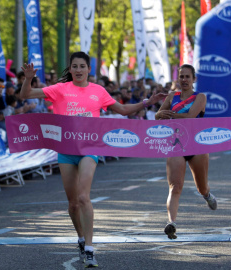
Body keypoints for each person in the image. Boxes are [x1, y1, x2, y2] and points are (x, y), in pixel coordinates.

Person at [20, 51, 166, 268]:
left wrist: (147, 103)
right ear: (70, 70)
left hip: (90, 148)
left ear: (89, 69)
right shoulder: (60, 89)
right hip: (66, 149)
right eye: (74, 66)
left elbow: (124, 109)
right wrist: (28, 77)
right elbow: (26, 95)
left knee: (83, 197)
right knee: (72, 204)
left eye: (82, 66)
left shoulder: (98, 91)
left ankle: (89, 248)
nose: (78, 70)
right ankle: (80, 238)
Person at [155, 64, 217, 240]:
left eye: (187, 77)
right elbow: (158, 116)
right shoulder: (172, 96)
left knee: (201, 186)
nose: (184, 80)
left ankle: (206, 195)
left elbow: (190, 116)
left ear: (194, 79)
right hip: (176, 145)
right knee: (175, 187)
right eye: (181, 77)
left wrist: (171, 115)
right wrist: (165, 114)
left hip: (197, 145)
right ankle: (171, 223)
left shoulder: (200, 97)